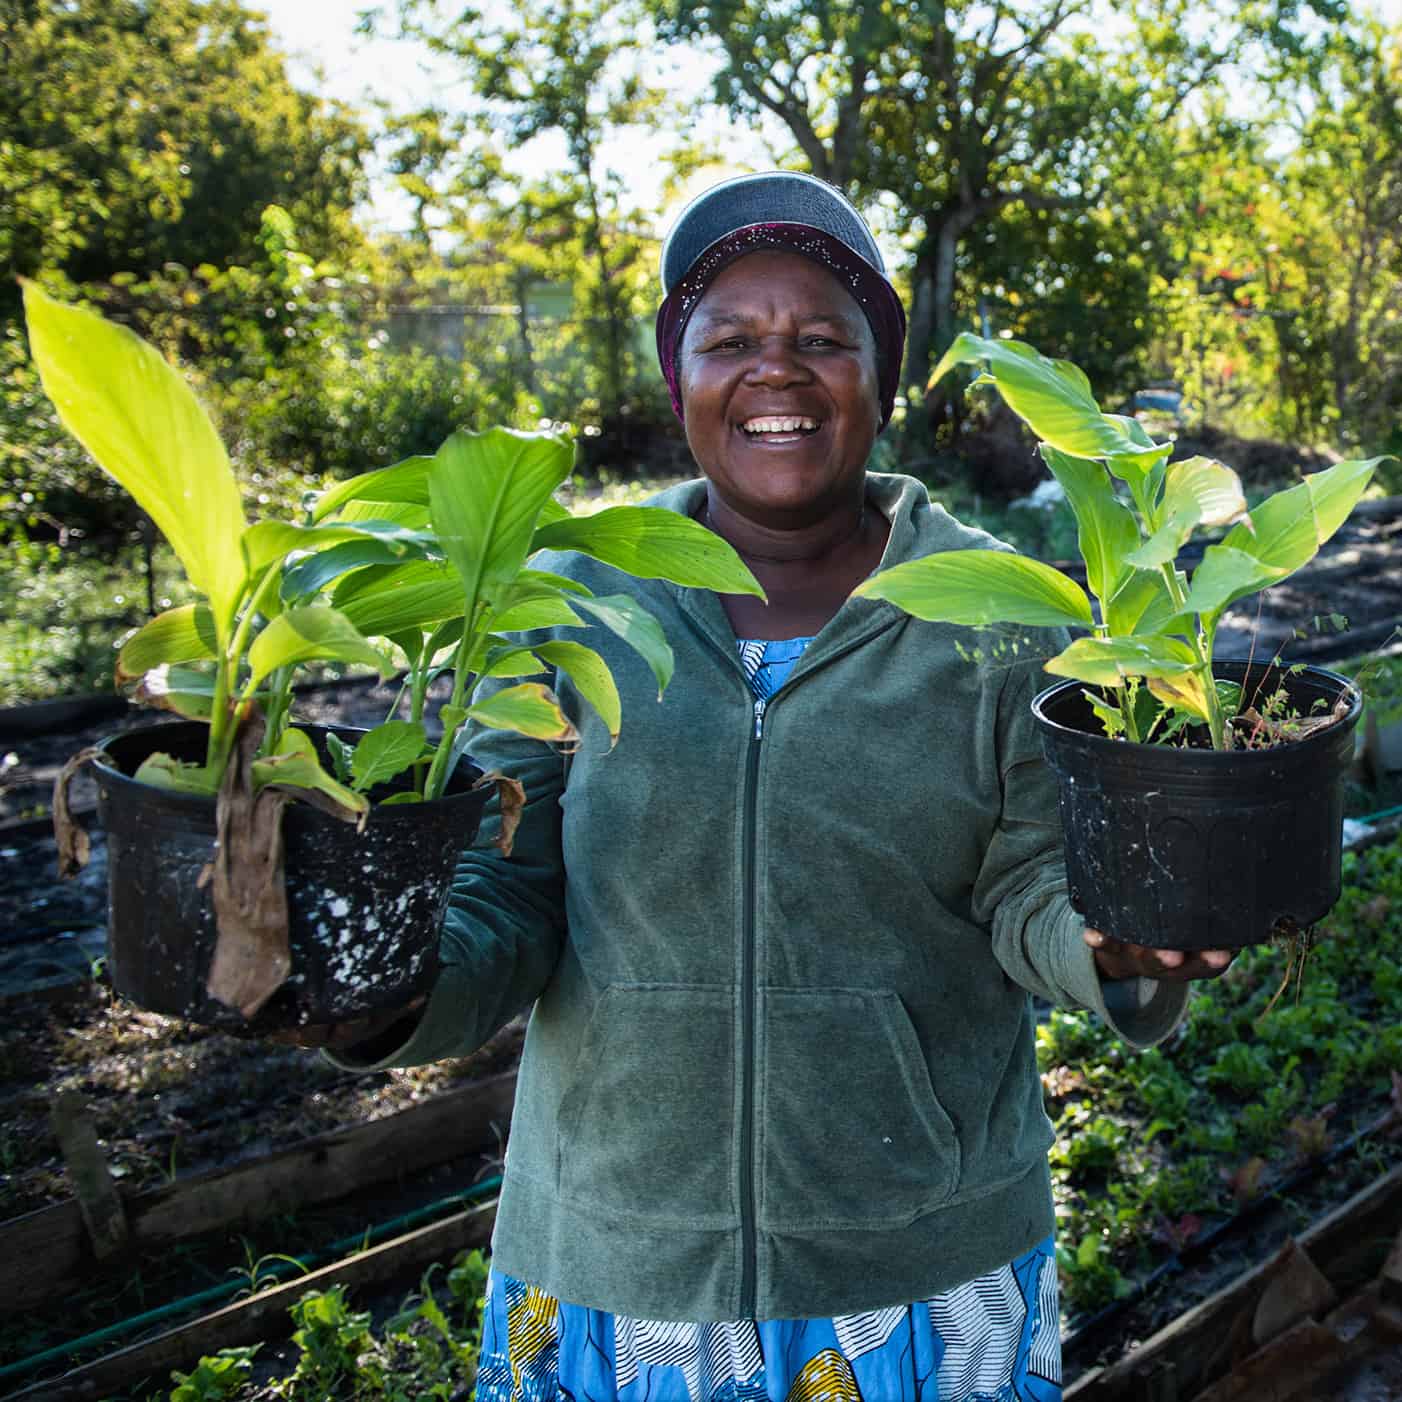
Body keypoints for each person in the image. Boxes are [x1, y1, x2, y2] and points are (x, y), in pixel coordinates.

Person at [315, 171, 1235, 1401]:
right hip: (611, 1263)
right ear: (678, 374)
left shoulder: (1003, 613)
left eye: (821, 339)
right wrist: (366, 989)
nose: (777, 372)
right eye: (731, 339)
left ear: (880, 374)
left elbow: (1029, 885)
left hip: (919, 1272)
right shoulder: (562, 600)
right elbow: (505, 900)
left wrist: (1112, 941)